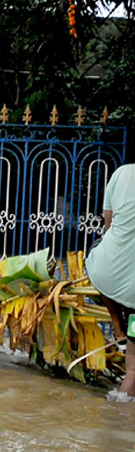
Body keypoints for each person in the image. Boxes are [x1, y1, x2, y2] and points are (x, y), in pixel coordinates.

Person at [85, 164, 135, 395]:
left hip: (108, 270)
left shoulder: (122, 173)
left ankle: (117, 326)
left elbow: (108, 223)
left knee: (96, 257)